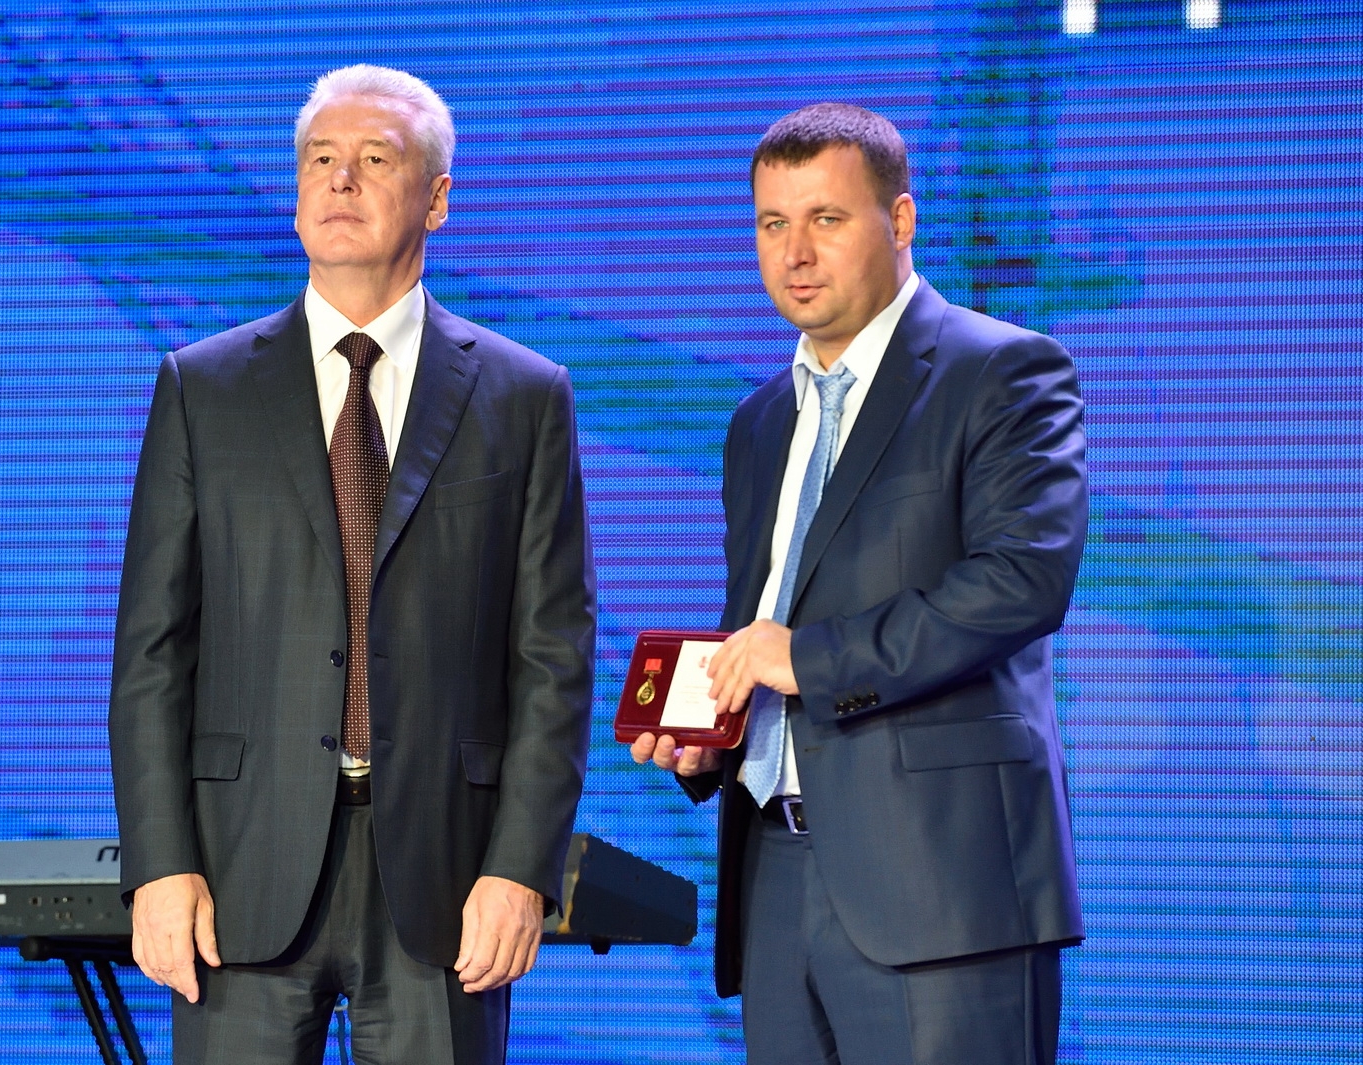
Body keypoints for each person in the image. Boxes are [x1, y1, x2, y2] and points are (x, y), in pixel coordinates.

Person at [108, 63, 595, 1065]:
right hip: (239, 868)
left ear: (438, 198)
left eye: (375, 159)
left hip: (447, 876)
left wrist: (521, 868)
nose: (340, 179)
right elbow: (152, 650)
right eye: (320, 160)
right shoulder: (202, 387)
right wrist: (158, 863)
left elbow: (554, 657)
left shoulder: (523, 395)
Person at [632, 103, 1087, 1064]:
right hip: (775, 880)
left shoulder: (1002, 371)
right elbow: (764, 618)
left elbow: (1020, 581)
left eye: (826, 219)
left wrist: (808, 659)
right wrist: (713, 737)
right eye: (772, 223)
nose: (795, 252)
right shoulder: (760, 421)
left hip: (943, 887)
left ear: (902, 219)